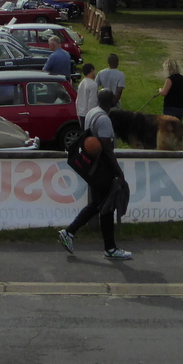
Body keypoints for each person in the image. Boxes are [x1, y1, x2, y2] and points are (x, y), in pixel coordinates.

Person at [57, 88, 133, 260]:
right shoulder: (104, 120)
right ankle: (109, 248)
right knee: (105, 206)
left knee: (99, 204)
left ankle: (71, 233)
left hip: (92, 166)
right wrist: (119, 173)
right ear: (112, 101)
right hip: (102, 168)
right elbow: (107, 149)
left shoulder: (92, 112)